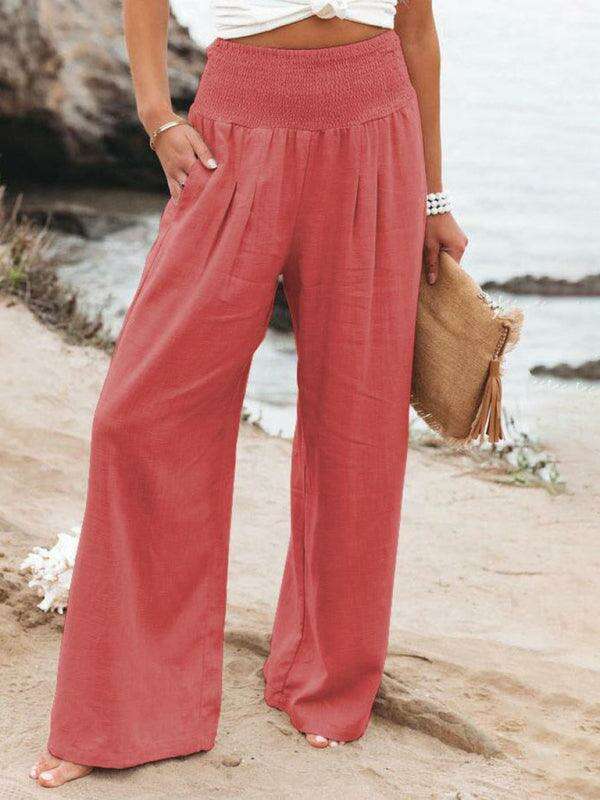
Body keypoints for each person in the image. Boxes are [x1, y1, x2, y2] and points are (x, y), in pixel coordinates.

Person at [30, 0, 468, 787]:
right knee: (138, 417)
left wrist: (434, 200)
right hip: (236, 129)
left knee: (359, 424)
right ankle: (124, 708)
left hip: (377, 127)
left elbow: (417, 29)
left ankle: (325, 682)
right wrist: (158, 116)